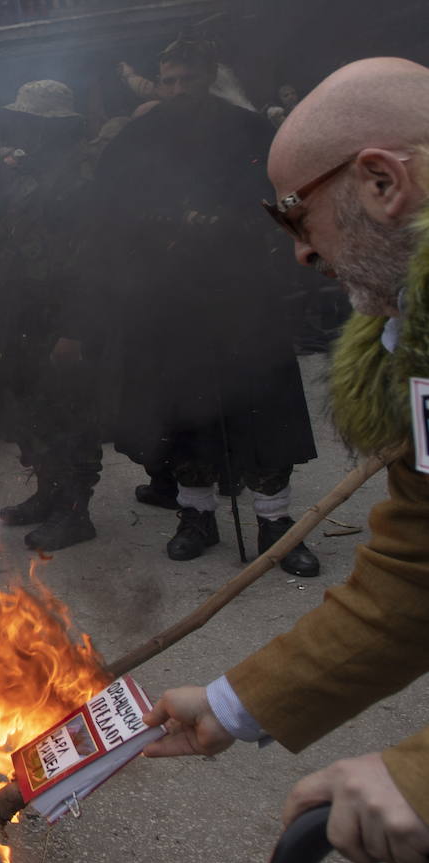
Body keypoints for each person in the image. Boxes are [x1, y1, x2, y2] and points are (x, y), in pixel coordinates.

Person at [144, 57, 429, 863]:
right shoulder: (417, 337)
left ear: (379, 181)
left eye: (295, 217)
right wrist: (235, 705)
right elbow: (417, 570)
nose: (300, 252)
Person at [90, 37, 321, 576]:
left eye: (187, 79)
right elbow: (110, 206)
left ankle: (275, 522)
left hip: (244, 293)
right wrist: (167, 226)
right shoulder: (140, 136)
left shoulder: (250, 131)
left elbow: (289, 194)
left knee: (262, 402)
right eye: (168, 80)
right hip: (171, 297)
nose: (177, 90)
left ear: (208, 75)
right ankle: (196, 517)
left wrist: (244, 226)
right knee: (185, 406)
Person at [0, 80, 100, 552]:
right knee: (35, 419)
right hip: (25, 320)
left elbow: (91, 268)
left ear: (52, 128)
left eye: (29, 122)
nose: (21, 129)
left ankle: (74, 512)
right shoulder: (33, 177)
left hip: (59, 323)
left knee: (65, 418)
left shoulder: (78, 185)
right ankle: (49, 495)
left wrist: (74, 331)